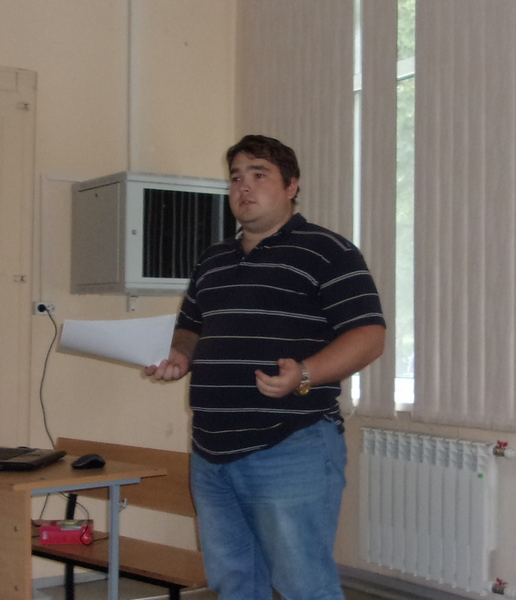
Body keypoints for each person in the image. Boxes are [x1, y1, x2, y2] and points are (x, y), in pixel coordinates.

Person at [145, 135, 385, 600]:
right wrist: (180, 355)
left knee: (304, 587)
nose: (244, 187)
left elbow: (369, 336)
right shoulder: (213, 259)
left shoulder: (329, 251)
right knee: (234, 584)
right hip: (211, 452)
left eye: (259, 175)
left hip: (290, 445)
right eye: (236, 177)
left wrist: (305, 373)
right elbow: (190, 327)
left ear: (292, 186)